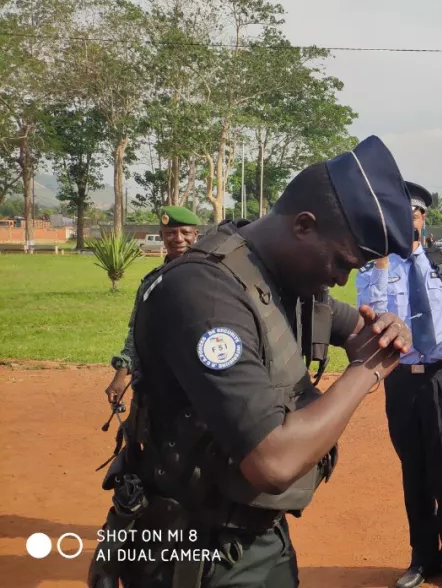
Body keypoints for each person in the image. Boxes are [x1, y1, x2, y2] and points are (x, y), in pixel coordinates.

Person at [87, 136, 415, 588]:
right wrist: (367, 371)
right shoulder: (206, 295)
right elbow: (272, 461)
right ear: (303, 225)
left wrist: (391, 327)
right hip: (192, 554)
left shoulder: (276, 275)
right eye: (342, 262)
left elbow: (360, 328)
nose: (341, 279)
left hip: (250, 537)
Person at [355, 181, 442, 588]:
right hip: (402, 381)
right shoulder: (373, 269)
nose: (410, 221)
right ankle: (422, 556)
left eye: (416, 214)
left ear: (424, 219)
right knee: (415, 469)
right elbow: (372, 317)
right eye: (400, 215)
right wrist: (384, 266)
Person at [106, 206, 200, 406]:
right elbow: (137, 333)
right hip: (162, 383)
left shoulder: (214, 277)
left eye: (185, 232)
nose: (178, 238)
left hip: (203, 383)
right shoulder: (152, 283)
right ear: (161, 236)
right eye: (171, 233)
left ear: (196, 234)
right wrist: (120, 376)